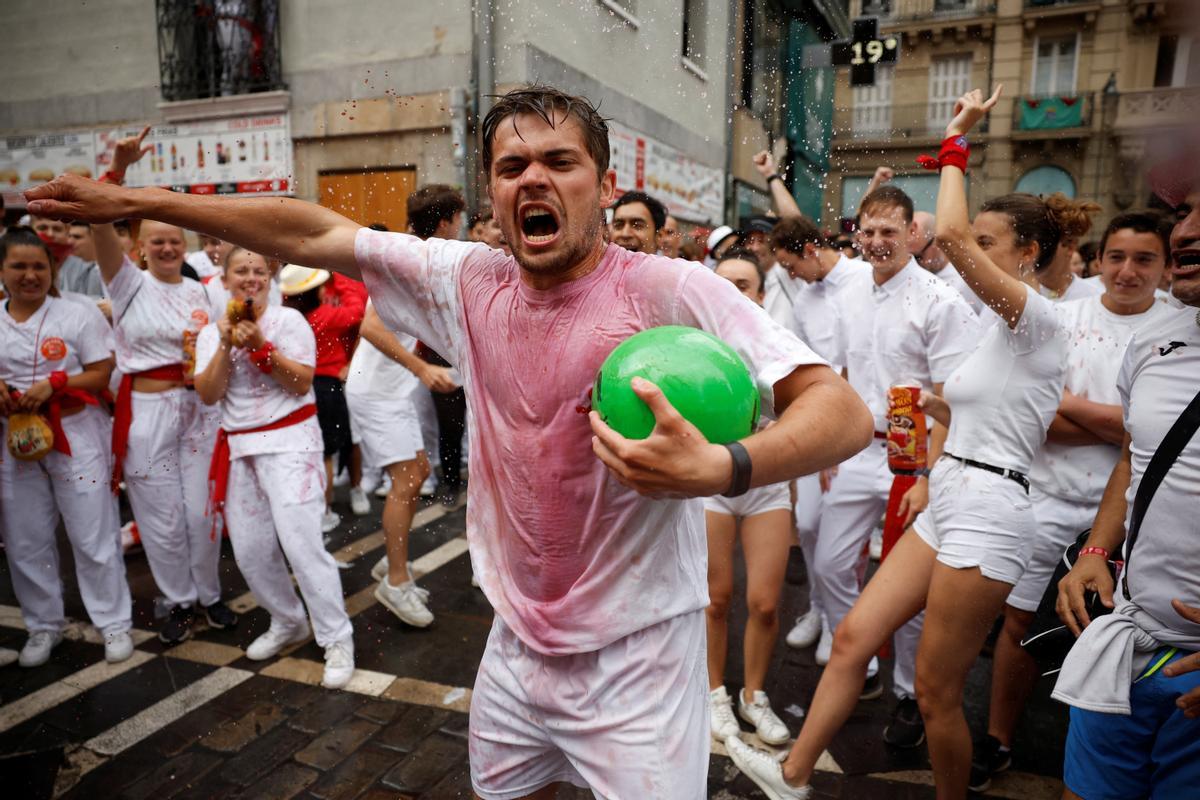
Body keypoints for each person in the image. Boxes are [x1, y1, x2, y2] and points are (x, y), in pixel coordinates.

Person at [28, 84, 875, 800]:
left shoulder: (668, 287)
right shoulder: (468, 278)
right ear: (492, 193)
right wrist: (140, 202)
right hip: (512, 643)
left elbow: (839, 410)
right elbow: (311, 233)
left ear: (603, 184)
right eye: (512, 167)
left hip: (638, 657)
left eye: (559, 162)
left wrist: (723, 467)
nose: (532, 178)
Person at [727, 85, 1070, 800]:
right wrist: (925, 412)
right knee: (853, 639)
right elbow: (971, 402)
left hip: (990, 510)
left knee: (940, 693)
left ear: (1029, 254)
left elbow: (942, 234)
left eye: (988, 242)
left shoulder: (1039, 320)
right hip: (949, 489)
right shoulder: (992, 327)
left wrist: (955, 141)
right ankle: (792, 778)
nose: (969, 251)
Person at [968, 210, 1179, 791]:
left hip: (1130, 517)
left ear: (1164, 266)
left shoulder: (1175, 330)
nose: (1127, 271)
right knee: (1018, 625)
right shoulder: (1063, 318)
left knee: (1108, 637)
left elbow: (1133, 428)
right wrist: (1130, 427)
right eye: (1116, 257)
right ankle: (999, 738)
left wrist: (1078, 410)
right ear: (1099, 258)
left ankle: (1083, 749)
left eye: (1144, 259)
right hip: (1048, 500)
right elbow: (1039, 416)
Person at [1052, 160, 1200, 800]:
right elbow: (1135, 460)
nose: (1184, 232)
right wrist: (1094, 552)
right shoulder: (1157, 341)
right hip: (1125, 646)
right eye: (1185, 212)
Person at [817, 184, 982, 745]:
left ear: (913, 234)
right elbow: (840, 374)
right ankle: (859, 662)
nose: (878, 241)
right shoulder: (848, 294)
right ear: (857, 234)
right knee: (830, 564)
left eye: (891, 231)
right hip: (856, 445)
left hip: (912, 458)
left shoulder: (939, 300)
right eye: (869, 231)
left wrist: (931, 476)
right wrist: (828, 446)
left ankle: (910, 691)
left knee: (907, 587)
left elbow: (949, 397)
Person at [194, 247, 356, 689]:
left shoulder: (289, 323)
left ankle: (337, 637)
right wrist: (228, 344)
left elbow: (302, 381)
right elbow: (208, 394)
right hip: (241, 448)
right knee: (250, 551)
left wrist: (262, 349)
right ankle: (288, 620)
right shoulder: (213, 334)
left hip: (292, 445)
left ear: (270, 277)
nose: (250, 278)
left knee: (302, 547)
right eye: (240, 271)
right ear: (223, 280)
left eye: (258, 271)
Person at [92, 218, 237, 645]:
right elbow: (101, 232)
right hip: (147, 411)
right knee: (161, 519)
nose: (168, 248)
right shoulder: (126, 285)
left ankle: (209, 595)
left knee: (202, 511)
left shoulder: (202, 292)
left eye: (175, 241)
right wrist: (114, 178)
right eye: (158, 241)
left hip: (197, 411)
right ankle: (179, 600)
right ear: (140, 247)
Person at [0, 227, 133, 667]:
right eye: (18, 266)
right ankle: (43, 626)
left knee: (92, 533)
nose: (29, 275)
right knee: (26, 539)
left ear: (53, 269)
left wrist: (56, 382)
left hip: (77, 434)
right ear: (2, 270)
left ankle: (114, 622)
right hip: (15, 441)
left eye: (39, 266)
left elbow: (100, 372)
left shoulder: (76, 314)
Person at [705, 248, 797, 747]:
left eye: (743, 284)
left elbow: (808, 412)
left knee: (764, 603)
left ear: (762, 295)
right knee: (714, 599)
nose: (731, 293)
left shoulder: (781, 346)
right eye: (722, 284)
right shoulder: (695, 345)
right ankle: (714, 691)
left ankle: (753, 695)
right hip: (713, 487)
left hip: (766, 487)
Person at [770, 214, 873, 653]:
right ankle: (817, 607)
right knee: (808, 524)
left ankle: (840, 621)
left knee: (846, 538)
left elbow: (857, 363)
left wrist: (840, 438)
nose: (791, 276)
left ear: (810, 250)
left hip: (861, 430)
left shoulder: (866, 280)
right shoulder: (805, 298)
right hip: (816, 426)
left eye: (791, 266)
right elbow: (792, 360)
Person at [345, 301, 443, 627]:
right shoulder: (399, 255)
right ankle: (396, 582)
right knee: (406, 481)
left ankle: (392, 560)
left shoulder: (424, 254)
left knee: (419, 474)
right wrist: (422, 369)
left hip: (394, 389)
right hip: (376, 394)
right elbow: (370, 327)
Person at [278, 264, 368, 529]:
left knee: (310, 453)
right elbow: (357, 311)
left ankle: (317, 509)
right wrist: (339, 278)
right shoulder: (327, 315)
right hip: (327, 388)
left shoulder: (287, 320)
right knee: (328, 453)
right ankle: (325, 511)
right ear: (315, 291)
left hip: (297, 389)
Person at [406, 184, 468, 507]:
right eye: (457, 218)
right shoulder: (448, 259)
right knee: (452, 425)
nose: (459, 225)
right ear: (445, 222)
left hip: (440, 354)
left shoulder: (406, 254)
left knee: (450, 426)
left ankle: (451, 483)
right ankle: (452, 482)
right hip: (441, 356)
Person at [1035, 194, 1104, 303]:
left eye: (1043, 243)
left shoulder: (1095, 298)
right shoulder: (1015, 295)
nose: (1032, 250)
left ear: (1070, 246)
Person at [911, 210, 982, 314]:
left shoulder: (967, 280)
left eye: (917, 257)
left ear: (937, 242)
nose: (912, 263)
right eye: (907, 257)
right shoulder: (907, 277)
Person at [609, 189, 666, 254]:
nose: (625, 234)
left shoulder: (674, 264)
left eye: (637, 226)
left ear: (659, 236)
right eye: (618, 225)